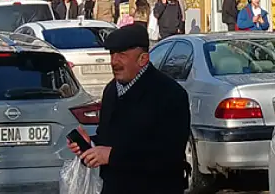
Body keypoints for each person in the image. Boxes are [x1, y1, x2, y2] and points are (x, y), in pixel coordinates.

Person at [67, 26, 190, 194]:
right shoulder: (111, 91)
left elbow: (168, 156)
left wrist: (112, 155)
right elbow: (109, 139)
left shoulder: (170, 94)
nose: (114, 61)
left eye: (122, 55)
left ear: (143, 59)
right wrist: (91, 146)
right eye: (112, 54)